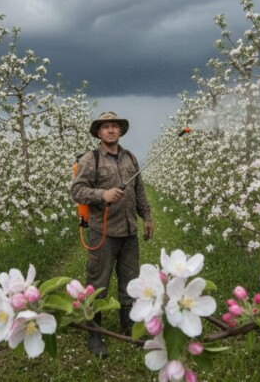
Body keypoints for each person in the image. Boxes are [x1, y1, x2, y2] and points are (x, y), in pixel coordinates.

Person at [71, 111, 153, 359]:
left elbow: (139, 190)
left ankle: (129, 327)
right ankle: (94, 334)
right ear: (99, 132)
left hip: (129, 233)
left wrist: (146, 217)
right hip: (103, 233)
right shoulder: (90, 159)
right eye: (105, 127)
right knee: (97, 286)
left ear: (120, 131)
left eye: (114, 126)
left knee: (130, 284)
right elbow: (77, 191)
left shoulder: (130, 158)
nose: (110, 130)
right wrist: (102, 195)